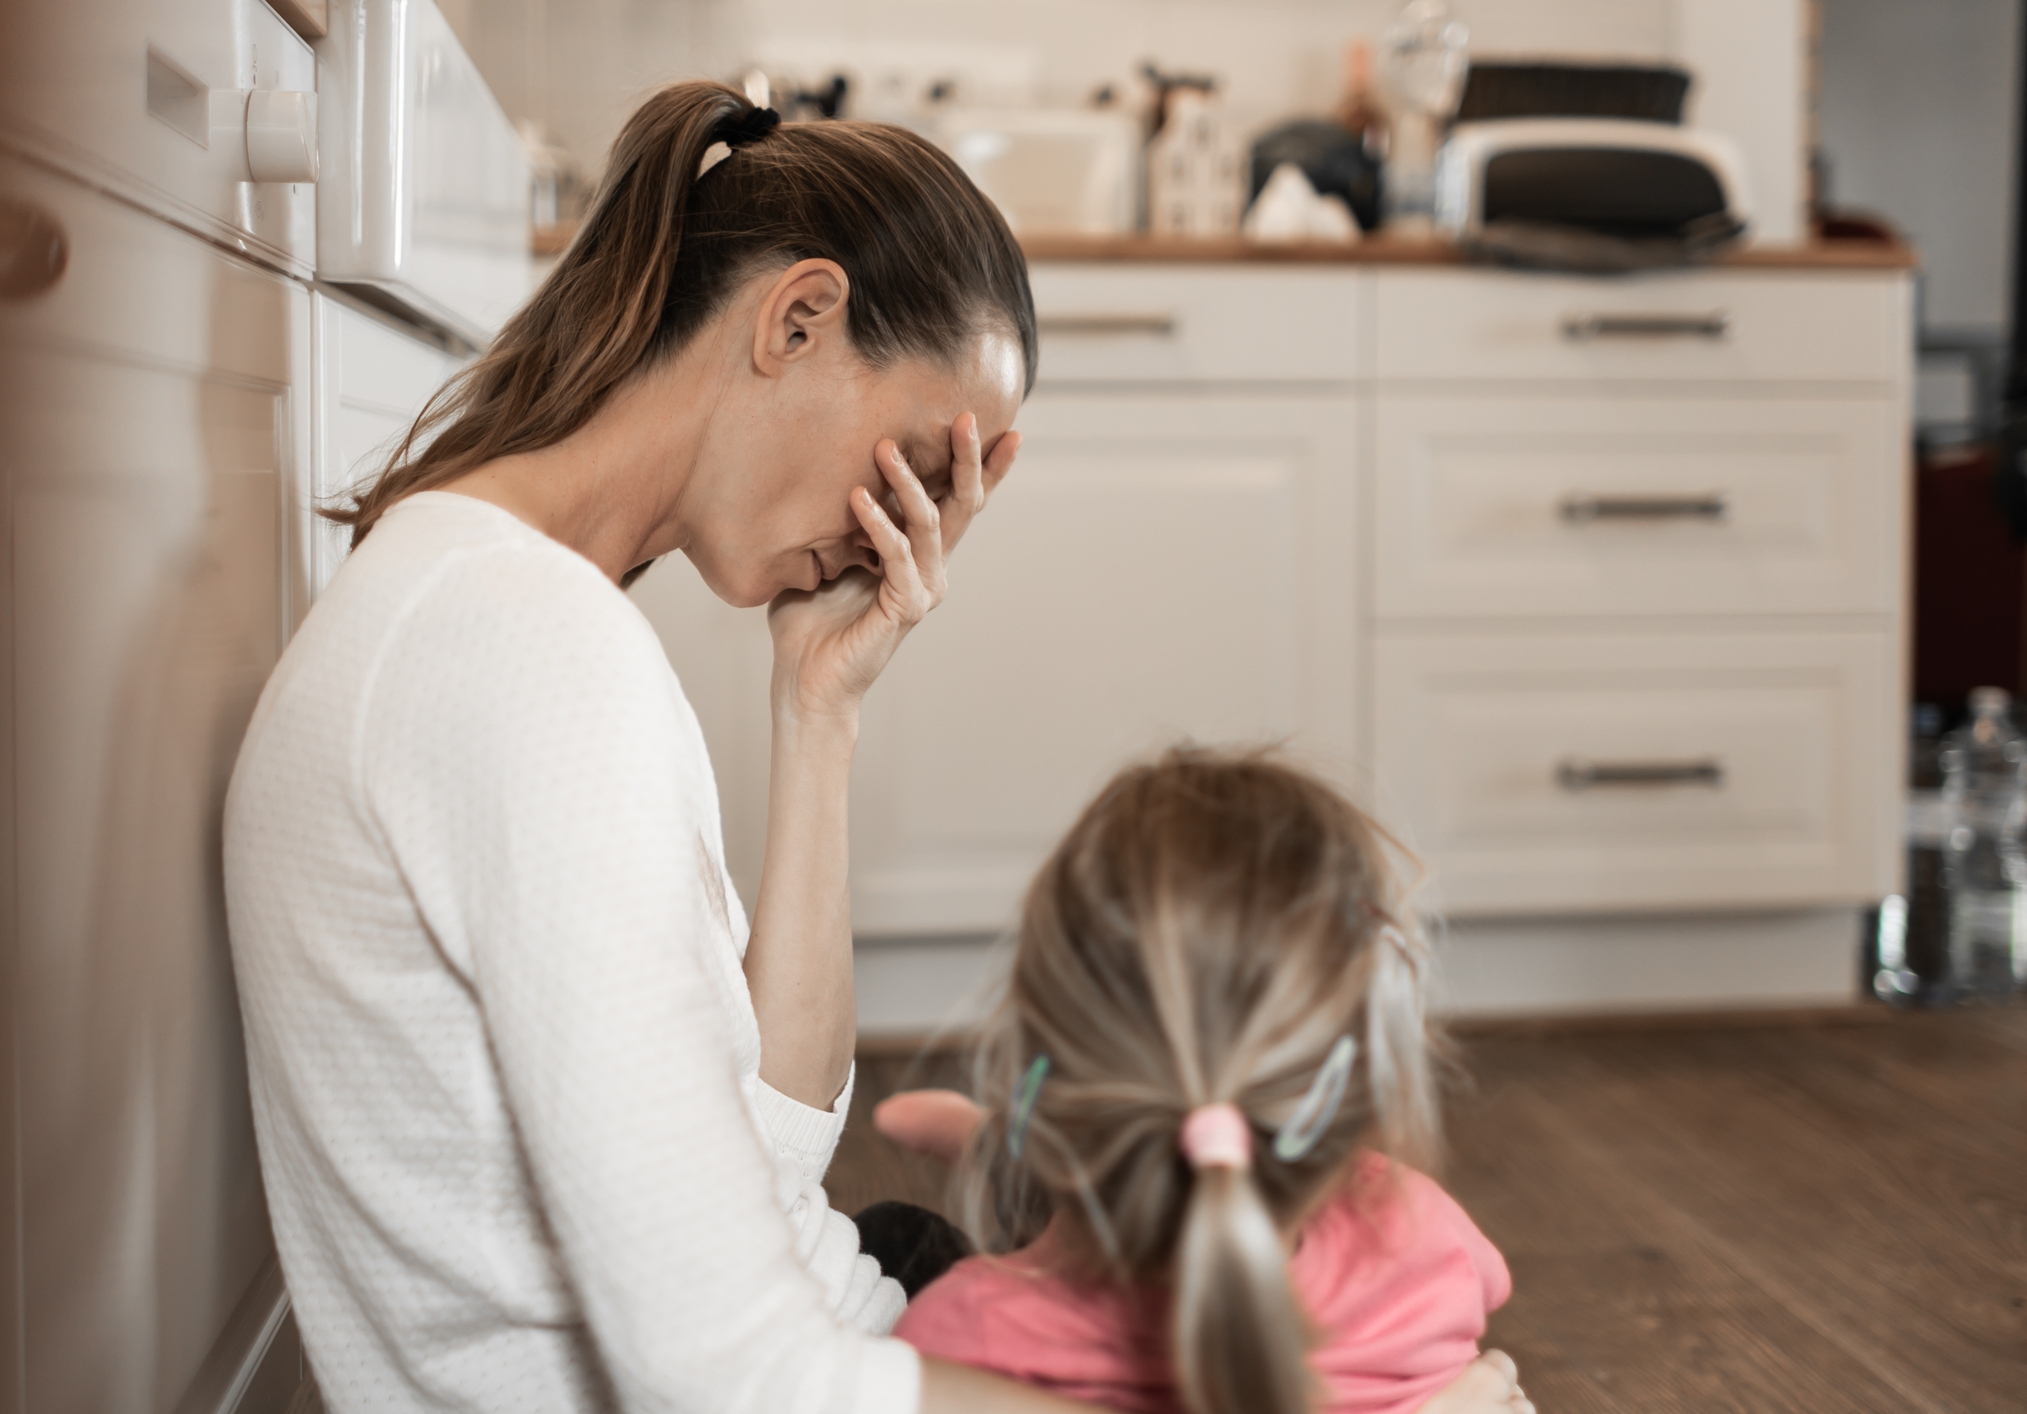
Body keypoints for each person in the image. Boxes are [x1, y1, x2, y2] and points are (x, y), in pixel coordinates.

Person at [222, 78, 1087, 1413]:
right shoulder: (526, 651)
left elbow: (771, 1147)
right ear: (797, 318)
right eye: (917, 461)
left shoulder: (501, 602)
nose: (906, 530)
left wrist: (819, 708)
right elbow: (731, 1375)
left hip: (825, 1301)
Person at [883, 748, 1534, 1414]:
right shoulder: (1417, 1234)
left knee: (893, 1237)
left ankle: (1006, 1156)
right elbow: (1485, 1287)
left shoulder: (956, 1339)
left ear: (1036, 1049)